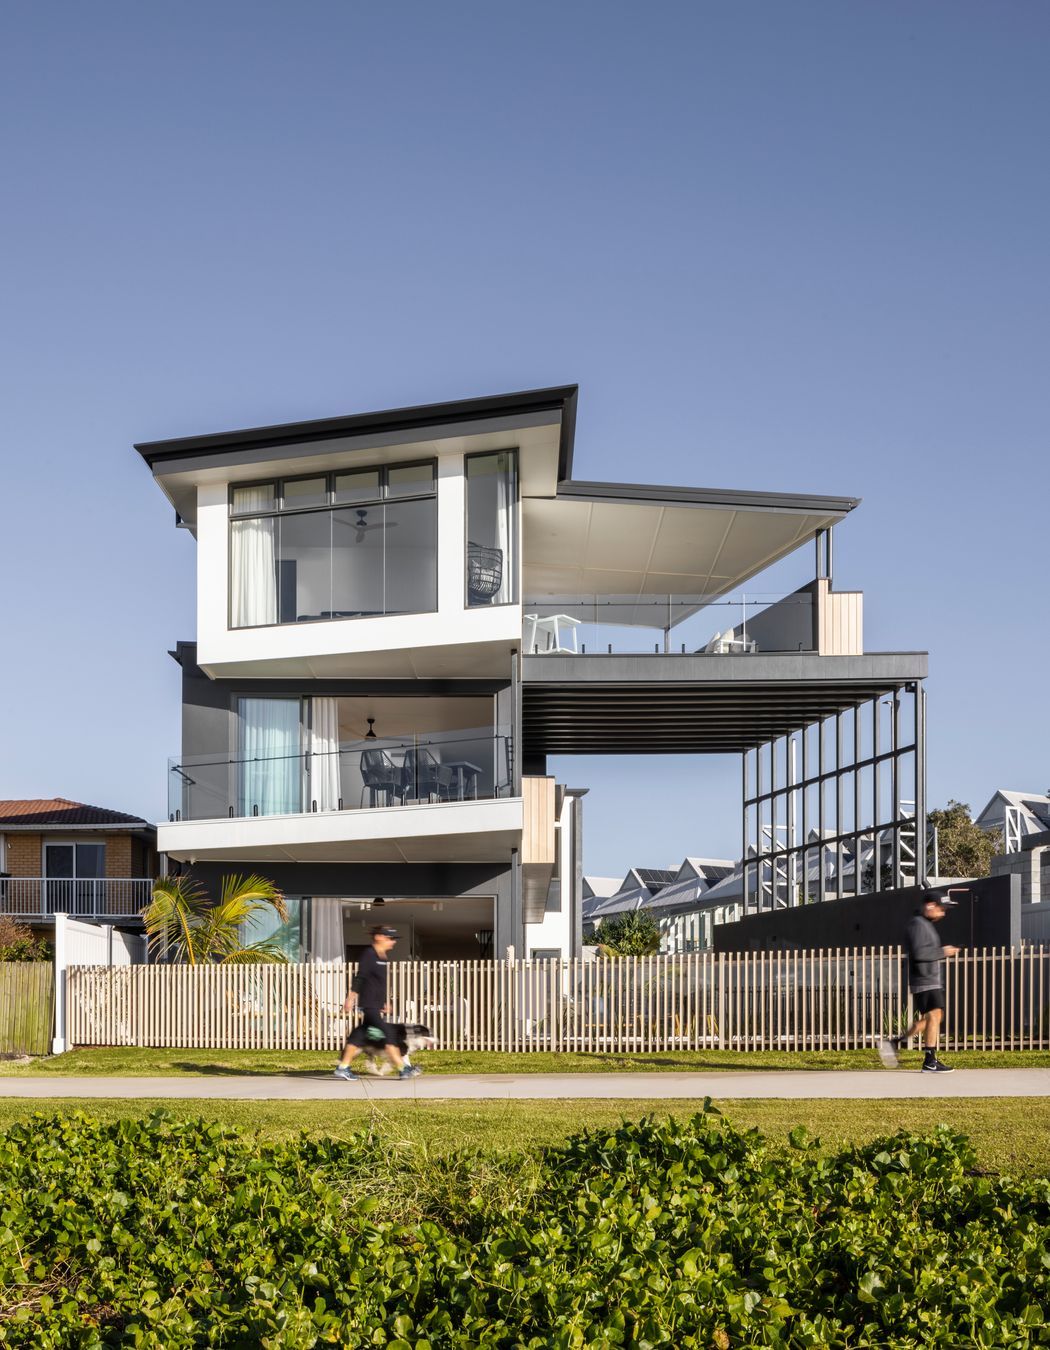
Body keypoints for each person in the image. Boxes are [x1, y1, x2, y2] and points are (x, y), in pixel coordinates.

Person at [880, 892, 960, 1073]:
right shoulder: (917, 924)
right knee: (933, 1017)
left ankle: (894, 1042)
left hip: (929, 980)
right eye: (941, 909)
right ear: (930, 906)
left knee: (935, 1017)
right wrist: (943, 952)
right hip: (924, 981)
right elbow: (919, 954)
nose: (943, 913)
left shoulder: (925, 924)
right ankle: (930, 1061)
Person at [334, 925, 421, 1081]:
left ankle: (342, 1068)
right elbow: (360, 977)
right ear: (379, 937)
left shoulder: (382, 957)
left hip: (375, 1004)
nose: (393, 942)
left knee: (358, 1036)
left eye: (393, 939)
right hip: (369, 1005)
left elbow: (378, 983)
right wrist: (350, 998)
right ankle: (403, 1069)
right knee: (389, 1035)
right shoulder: (369, 954)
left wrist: (384, 1001)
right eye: (390, 938)